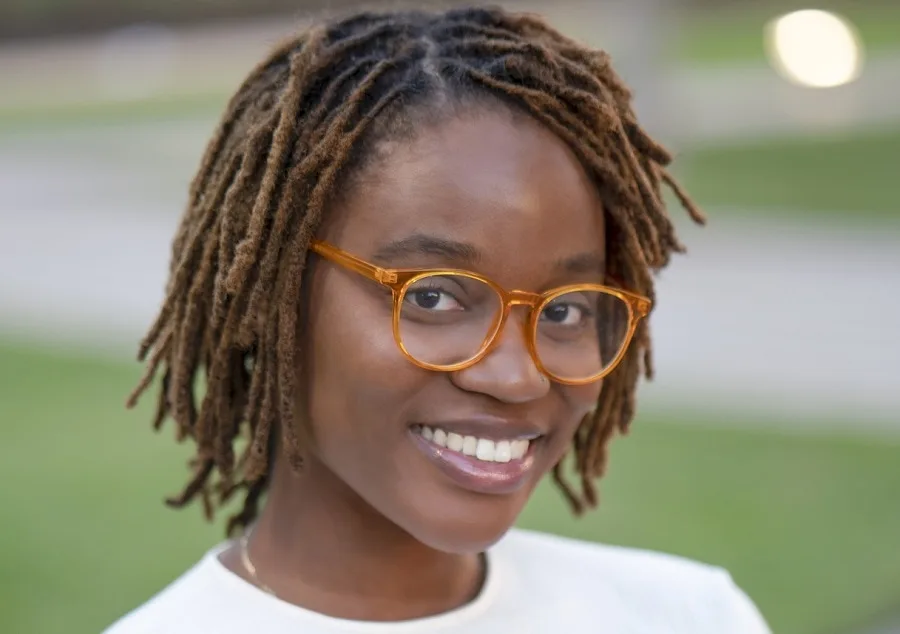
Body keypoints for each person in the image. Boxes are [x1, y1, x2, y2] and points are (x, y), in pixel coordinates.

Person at [105, 6, 771, 633]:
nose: (516, 377)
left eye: (566, 309)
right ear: (270, 292)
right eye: (432, 296)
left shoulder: (689, 616)